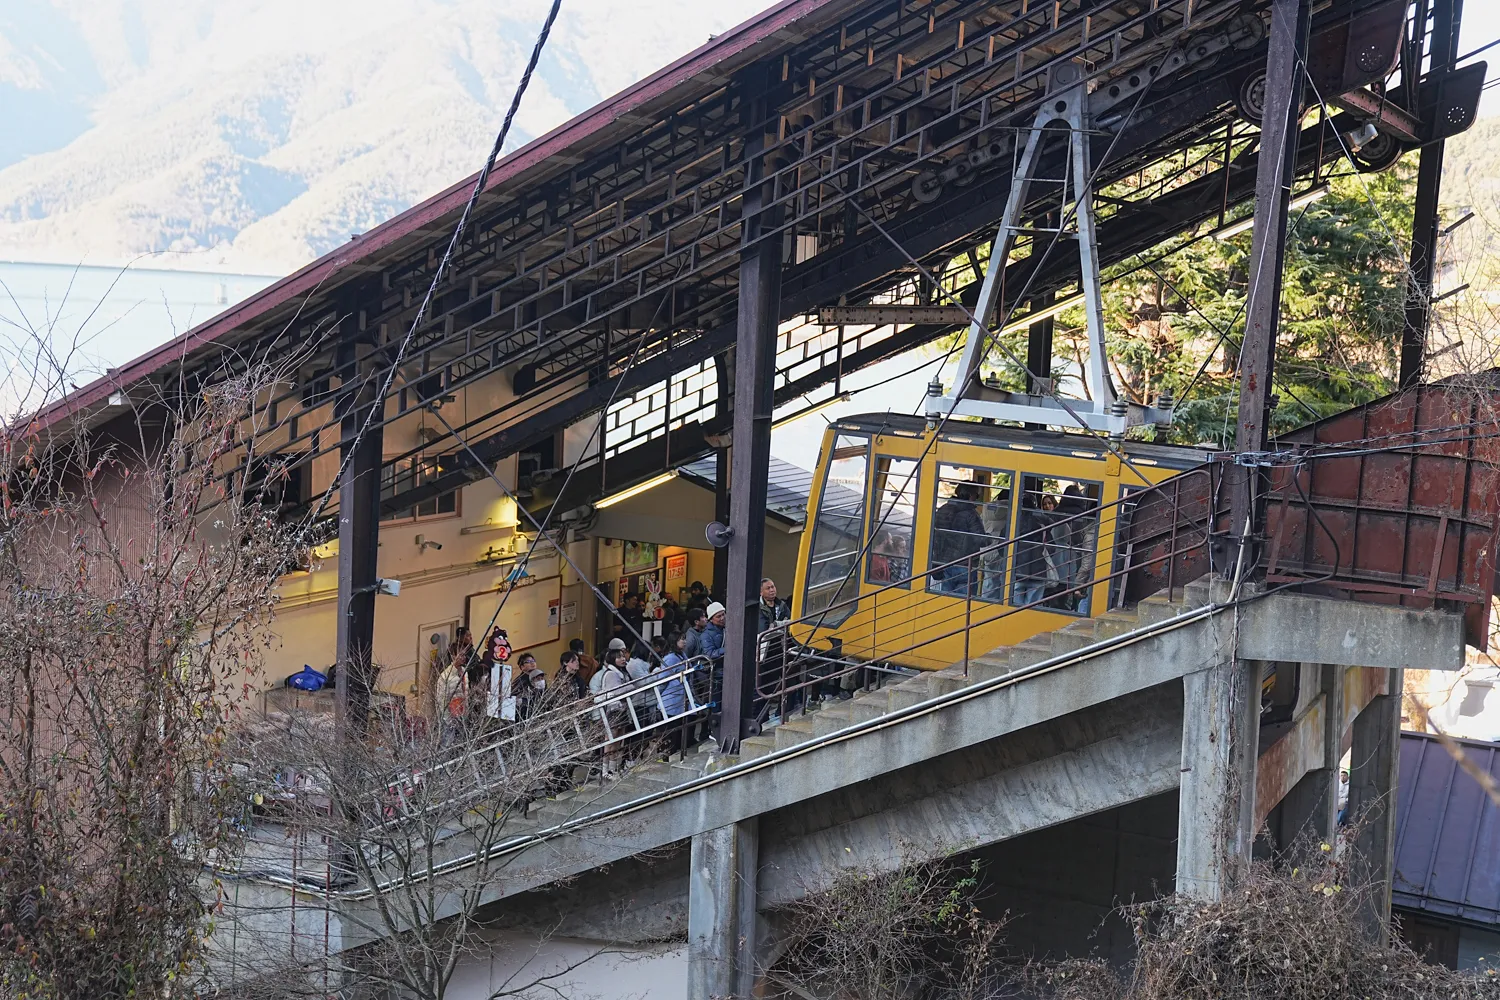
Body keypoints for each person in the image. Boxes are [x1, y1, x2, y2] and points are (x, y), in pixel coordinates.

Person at [932, 483, 988, 596]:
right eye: (976, 496)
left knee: (945, 600)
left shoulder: (943, 510)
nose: (976, 499)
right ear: (970, 495)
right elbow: (981, 540)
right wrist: (991, 538)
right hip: (965, 564)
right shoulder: (971, 514)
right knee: (964, 602)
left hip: (944, 564)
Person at [1014, 491, 1055, 609]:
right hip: (1039, 570)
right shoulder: (1043, 523)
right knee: (1033, 607)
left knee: (1014, 607)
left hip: (1017, 570)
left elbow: (1003, 545)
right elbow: (1052, 546)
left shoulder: (1013, 523)